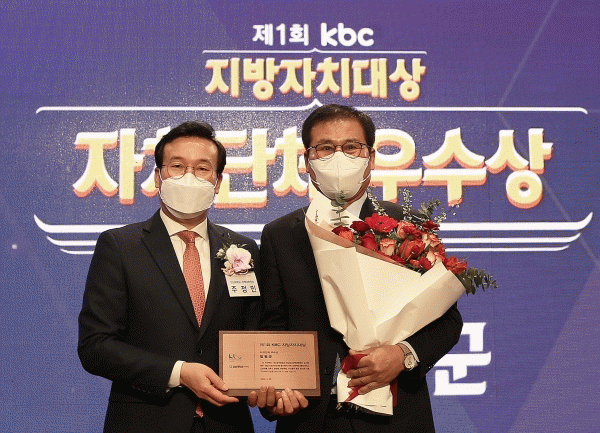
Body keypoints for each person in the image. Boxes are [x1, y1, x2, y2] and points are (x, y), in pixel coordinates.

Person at [254, 105, 463, 432]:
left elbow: (447, 320)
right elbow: (273, 326)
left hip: (396, 417)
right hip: (311, 419)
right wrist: (276, 388)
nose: (339, 157)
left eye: (351, 147)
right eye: (325, 148)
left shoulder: (407, 225)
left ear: (371, 158)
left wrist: (403, 355)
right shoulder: (281, 235)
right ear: (308, 161)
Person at [78, 121, 260, 433]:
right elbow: (96, 346)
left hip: (226, 422)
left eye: (202, 168)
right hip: (145, 422)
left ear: (218, 181)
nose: (189, 176)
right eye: (177, 166)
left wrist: (269, 384)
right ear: (158, 176)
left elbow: (255, 335)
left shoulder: (242, 248)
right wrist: (178, 372)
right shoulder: (120, 246)